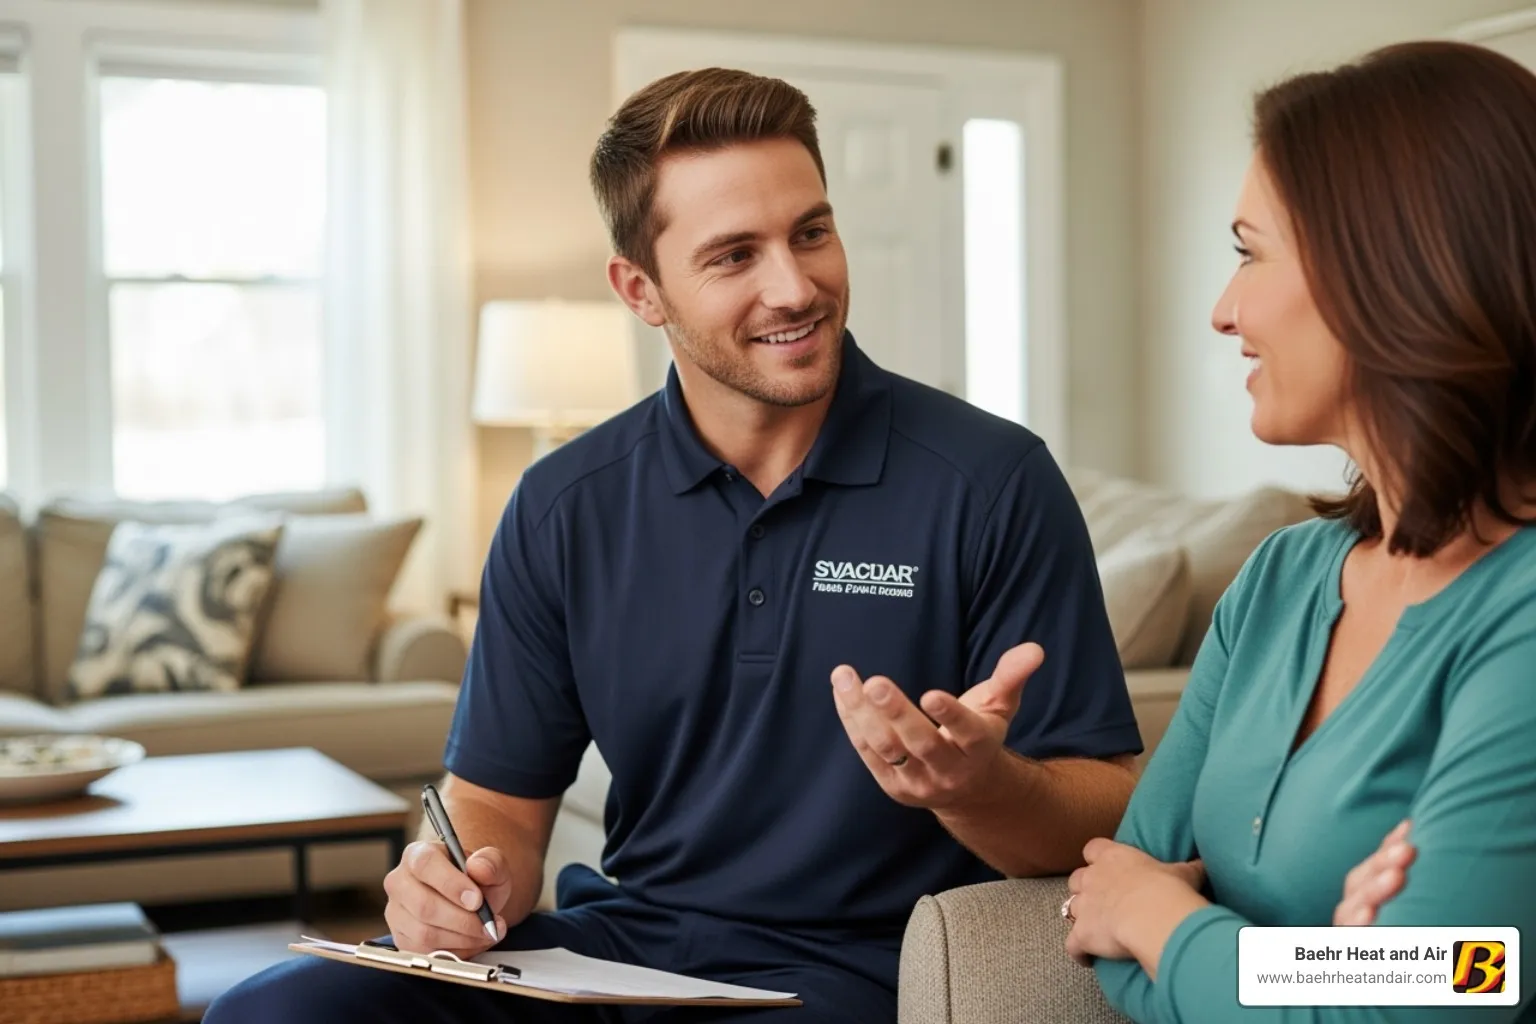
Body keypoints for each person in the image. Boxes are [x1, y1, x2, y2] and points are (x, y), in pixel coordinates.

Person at [207, 67, 1142, 1023]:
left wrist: (978, 790)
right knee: (272, 1014)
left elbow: (1109, 806)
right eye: (735, 256)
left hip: (867, 970)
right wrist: (456, 884)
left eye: (811, 233)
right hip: (625, 950)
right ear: (640, 289)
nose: (796, 287)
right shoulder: (562, 506)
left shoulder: (992, 481)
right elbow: (498, 804)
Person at [1059, 40, 1536, 1023]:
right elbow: (1106, 904)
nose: (1222, 311)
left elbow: (1452, 990)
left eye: (1249, 251)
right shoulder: (1280, 578)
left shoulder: (1521, 616)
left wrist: (1166, 922)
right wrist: (1335, 964)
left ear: (1392, 270)